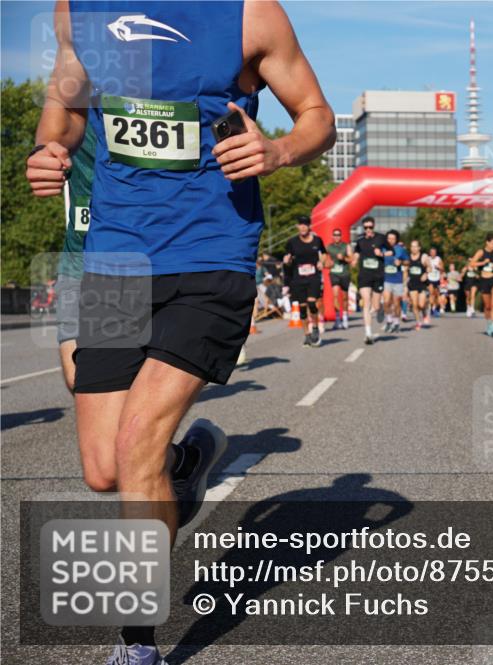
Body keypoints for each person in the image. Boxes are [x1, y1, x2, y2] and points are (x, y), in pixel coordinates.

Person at [25, 3, 336, 663]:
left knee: (137, 443)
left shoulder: (250, 15)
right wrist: (52, 146)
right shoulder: (79, 10)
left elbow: (318, 116)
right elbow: (68, 101)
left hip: (211, 256)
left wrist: (278, 149)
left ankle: (136, 645)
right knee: (104, 469)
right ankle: (184, 467)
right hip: (115, 260)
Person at [53, 123, 95, 393]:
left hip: (132, 263)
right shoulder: (75, 124)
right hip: (77, 261)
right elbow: (49, 146)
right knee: (76, 381)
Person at [285, 216, 326, 347]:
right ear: (297, 227)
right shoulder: (292, 242)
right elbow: (288, 258)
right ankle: (307, 335)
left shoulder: (317, 240)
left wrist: (321, 261)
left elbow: (324, 253)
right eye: (300, 224)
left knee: (312, 303)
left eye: (305, 224)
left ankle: (315, 328)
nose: (303, 227)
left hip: (313, 277)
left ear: (309, 226)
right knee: (302, 308)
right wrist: (287, 261)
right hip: (298, 279)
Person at [352, 217, 388, 344]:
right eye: (365, 227)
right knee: (366, 301)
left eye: (370, 227)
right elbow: (357, 252)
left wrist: (382, 254)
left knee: (375, 306)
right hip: (364, 275)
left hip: (378, 275)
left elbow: (391, 251)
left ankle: (380, 308)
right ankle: (368, 333)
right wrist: (354, 259)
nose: (368, 229)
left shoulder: (381, 238)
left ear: (374, 226)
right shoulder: (360, 241)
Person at [324, 227, 353, 329]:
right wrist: (327, 263)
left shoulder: (346, 246)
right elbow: (323, 258)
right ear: (332, 236)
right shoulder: (329, 247)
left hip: (345, 273)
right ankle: (337, 319)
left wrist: (344, 258)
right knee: (335, 295)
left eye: (338, 235)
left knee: (345, 297)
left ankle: (345, 318)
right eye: (335, 235)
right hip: (334, 273)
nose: (337, 237)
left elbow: (351, 259)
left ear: (341, 236)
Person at [381, 229, 406, 333]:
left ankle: (396, 323)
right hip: (386, 279)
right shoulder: (382, 249)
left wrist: (401, 262)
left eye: (393, 239)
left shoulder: (400, 249)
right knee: (386, 301)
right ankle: (389, 321)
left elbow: (408, 261)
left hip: (397, 280)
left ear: (396, 240)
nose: (390, 240)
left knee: (396, 303)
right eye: (389, 238)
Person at [405, 239, 430, 330]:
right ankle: (418, 322)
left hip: (422, 284)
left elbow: (429, 267)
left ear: (419, 248)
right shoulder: (408, 257)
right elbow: (405, 271)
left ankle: (424, 313)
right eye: (412, 246)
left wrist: (426, 274)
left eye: (415, 246)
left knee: (421, 305)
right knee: (414, 305)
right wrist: (404, 284)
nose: (413, 248)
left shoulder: (423, 257)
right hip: (412, 284)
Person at [426, 246, 444, 320]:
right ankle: (431, 309)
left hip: (437, 279)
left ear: (436, 253)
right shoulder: (428, 259)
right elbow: (424, 267)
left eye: (434, 252)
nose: (433, 253)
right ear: (430, 253)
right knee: (431, 293)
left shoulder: (438, 259)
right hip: (430, 278)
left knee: (436, 295)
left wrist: (439, 268)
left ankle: (435, 308)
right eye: (431, 252)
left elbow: (442, 269)